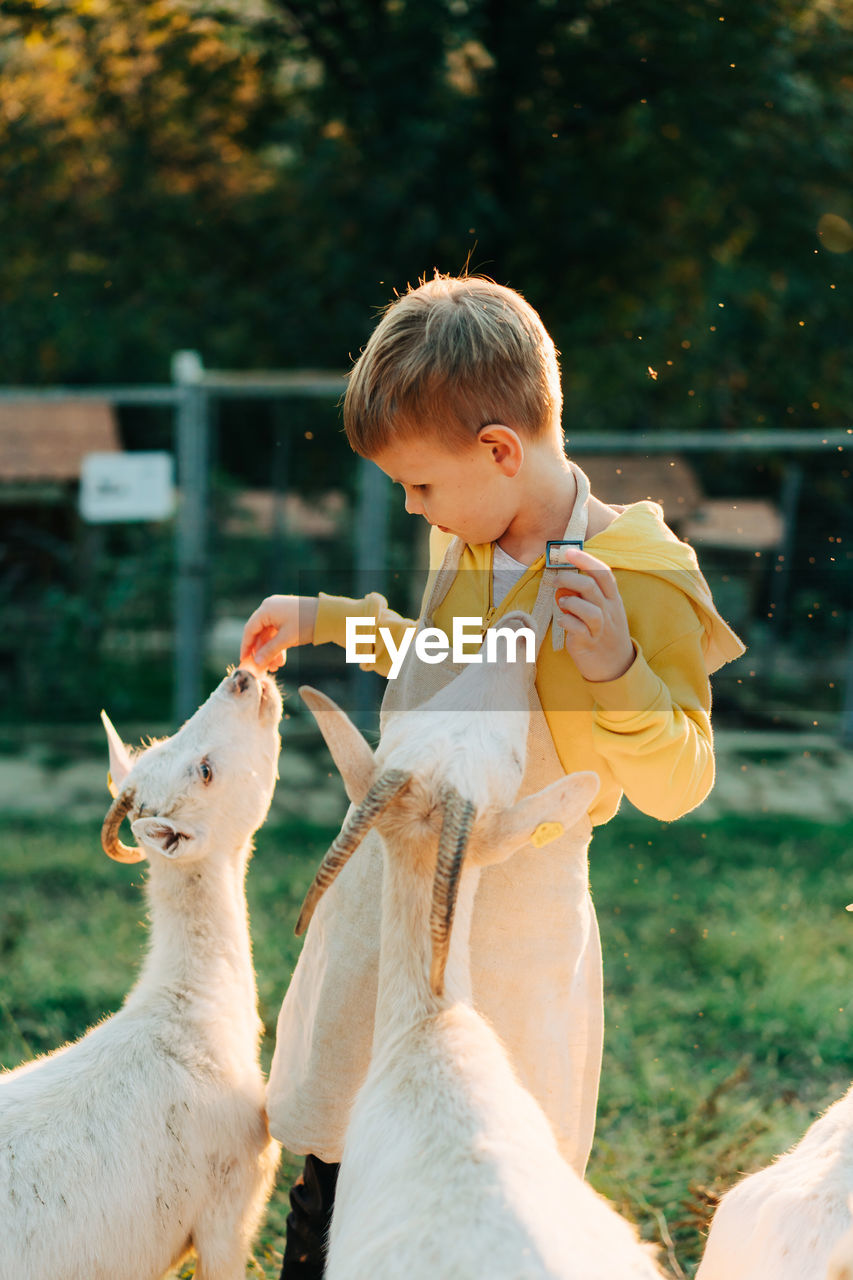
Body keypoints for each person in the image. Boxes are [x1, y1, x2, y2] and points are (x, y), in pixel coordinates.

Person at [239, 275, 745, 1279]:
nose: (413, 504)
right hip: (396, 882)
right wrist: (327, 617)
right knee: (347, 1113)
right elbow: (447, 649)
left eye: (418, 485)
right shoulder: (470, 533)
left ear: (500, 450)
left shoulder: (639, 576)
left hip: (516, 911)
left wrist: (616, 669)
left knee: (488, 1143)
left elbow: (682, 776)